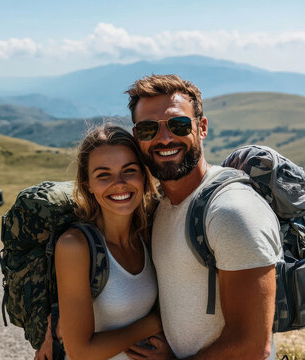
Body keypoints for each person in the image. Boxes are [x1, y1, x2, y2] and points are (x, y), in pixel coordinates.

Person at [124, 75, 281, 360]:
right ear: (137, 138)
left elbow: (251, 346)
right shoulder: (161, 206)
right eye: (148, 129)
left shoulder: (232, 213)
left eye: (178, 125)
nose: (164, 138)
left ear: (202, 127)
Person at [35, 124, 171, 360]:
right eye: (103, 175)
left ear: (143, 175)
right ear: (87, 184)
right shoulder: (75, 246)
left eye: (129, 170)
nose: (119, 183)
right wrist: (154, 323)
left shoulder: (148, 233)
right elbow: (81, 351)